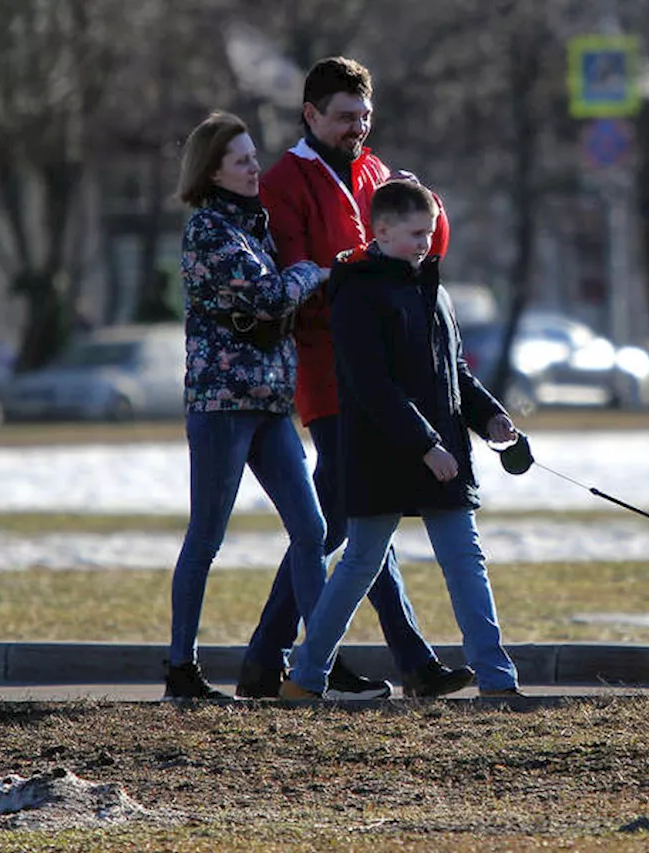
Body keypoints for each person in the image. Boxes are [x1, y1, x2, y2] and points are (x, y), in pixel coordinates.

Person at [238, 56, 472, 700]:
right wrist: (352, 270)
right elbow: (296, 275)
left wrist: (430, 204)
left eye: (364, 117)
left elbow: (425, 251)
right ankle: (279, 658)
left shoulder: (376, 173)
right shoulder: (286, 182)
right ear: (310, 115)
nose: (357, 129)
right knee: (344, 523)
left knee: (357, 521)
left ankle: (289, 662)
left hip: (387, 382)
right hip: (330, 373)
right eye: (344, 118)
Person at [279, 179, 522, 700]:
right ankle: (305, 676)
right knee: (360, 562)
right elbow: (371, 385)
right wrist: (424, 444)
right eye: (415, 233)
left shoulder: (433, 290)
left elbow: (454, 372)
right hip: (382, 455)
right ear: (380, 230)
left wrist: (491, 418)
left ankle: (498, 681)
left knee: (465, 559)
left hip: (442, 455)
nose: (425, 243)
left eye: (430, 233)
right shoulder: (359, 292)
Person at [165, 111, 330, 700]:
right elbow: (267, 295)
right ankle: (181, 668)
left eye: (255, 155)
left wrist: (296, 277)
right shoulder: (210, 230)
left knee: (312, 530)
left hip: (270, 403)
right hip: (222, 404)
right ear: (212, 171)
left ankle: (315, 669)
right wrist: (313, 269)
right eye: (241, 159)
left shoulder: (255, 225)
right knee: (207, 536)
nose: (254, 166)